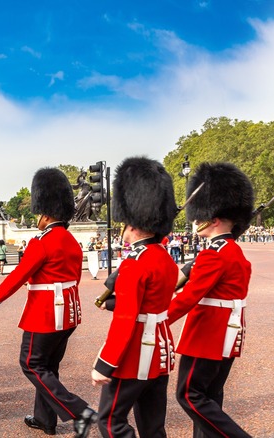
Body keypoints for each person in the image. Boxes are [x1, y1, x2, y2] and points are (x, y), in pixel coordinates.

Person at [0, 168, 97, 437]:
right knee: (48, 367)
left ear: (45, 212)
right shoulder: (72, 242)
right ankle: (45, 419)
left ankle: (80, 410)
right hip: (68, 314)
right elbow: (75, 278)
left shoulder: (41, 241)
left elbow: (18, 277)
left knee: (31, 363)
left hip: (44, 313)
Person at [91, 157, 179, 437]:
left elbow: (127, 318)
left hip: (134, 355)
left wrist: (105, 363)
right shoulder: (164, 258)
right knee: (153, 427)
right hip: (160, 353)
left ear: (133, 224)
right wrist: (113, 302)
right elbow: (151, 300)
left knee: (110, 422)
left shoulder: (134, 263)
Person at [168, 162, 254, 437]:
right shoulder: (235, 252)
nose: (195, 222)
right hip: (229, 335)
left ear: (213, 218)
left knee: (190, 395)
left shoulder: (213, 255)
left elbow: (188, 299)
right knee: (211, 395)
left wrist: (158, 319)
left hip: (207, 336)